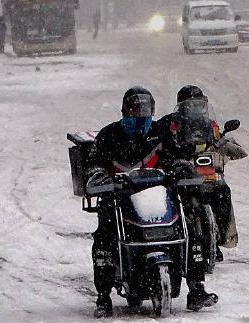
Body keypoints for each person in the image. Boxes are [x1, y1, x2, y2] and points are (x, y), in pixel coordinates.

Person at [85, 86, 217, 318]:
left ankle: (196, 288)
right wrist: (100, 176)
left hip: (159, 197)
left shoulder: (160, 132)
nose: (141, 116)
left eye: (145, 111)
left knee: (191, 229)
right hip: (121, 200)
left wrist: (182, 169)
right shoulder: (109, 135)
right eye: (136, 110)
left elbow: (176, 156)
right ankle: (103, 297)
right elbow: (93, 163)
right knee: (104, 237)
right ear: (125, 110)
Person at [157, 85, 244, 262]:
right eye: (190, 105)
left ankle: (220, 237)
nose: (195, 109)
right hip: (179, 174)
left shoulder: (209, 124)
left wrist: (225, 145)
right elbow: (154, 144)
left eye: (199, 104)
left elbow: (220, 139)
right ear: (181, 105)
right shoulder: (167, 124)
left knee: (222, 192)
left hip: (204, 171)